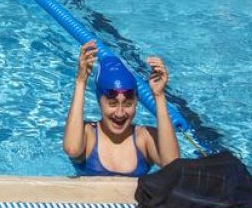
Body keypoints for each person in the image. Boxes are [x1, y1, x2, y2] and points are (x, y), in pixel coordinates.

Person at [63, 41, 179, 177]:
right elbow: (71, 149)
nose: (120, 113)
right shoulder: (88, 135)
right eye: (112, 104)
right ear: (100, 103)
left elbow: (172, 165)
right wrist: (80, 81)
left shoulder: (144, 139)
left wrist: (158, 96)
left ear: (136, 103)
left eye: (128, 104)